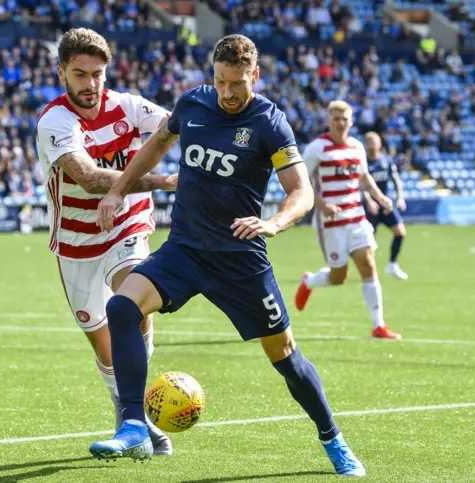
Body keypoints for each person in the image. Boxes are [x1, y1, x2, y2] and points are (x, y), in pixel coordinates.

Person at [90, 34, 366, 477]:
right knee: (121, 308)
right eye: (220, 81)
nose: (227, 92)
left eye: (237, 82)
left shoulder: (269, 122)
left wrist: (273, 223)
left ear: (254, 75)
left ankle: (333, 438)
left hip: (240, 260)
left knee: (285, 355)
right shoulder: (192, 105)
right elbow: (157, 145)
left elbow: (302, 191)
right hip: (184, 249)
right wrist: (119, 188)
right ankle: (134, 425)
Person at [35, 28, 178, 456]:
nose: (90, 84)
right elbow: (89, 177)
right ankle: (125, 407)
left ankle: (135, 413)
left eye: (97, 74)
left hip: (127, 225)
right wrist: (164, 181)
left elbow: (180, 124)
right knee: (103, 341)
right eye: (80, 74)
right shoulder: (54, 121)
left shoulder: (130, 106)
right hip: (77, 242)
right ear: (61, 72)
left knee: (132, 304)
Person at [295, 101, 401, 340]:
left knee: (369, 265)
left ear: (351, 121)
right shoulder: (316, 148)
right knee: (338, 277)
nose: (340, 123)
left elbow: (364, 177)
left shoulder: (356, 147)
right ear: (328, 121)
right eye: (336, 118)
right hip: (330, 221)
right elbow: (302, 181)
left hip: (356, 216)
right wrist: (323, 205)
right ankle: (309, 281)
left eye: (345, 119)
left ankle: (378, 326)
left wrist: (380, 196)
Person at [363, 132, 408, 280]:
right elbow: (361, 184)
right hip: (370, 207)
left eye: (373, 140)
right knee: (369, 241)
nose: (371, 143)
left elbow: (396, 180)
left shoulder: (387, 160)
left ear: (380, 143)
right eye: (368, 141)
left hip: (386, 204)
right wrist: (368, 200)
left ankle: (392, 265)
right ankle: (371, 271)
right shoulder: (362, 162)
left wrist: (400, 198)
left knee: (400, 232)